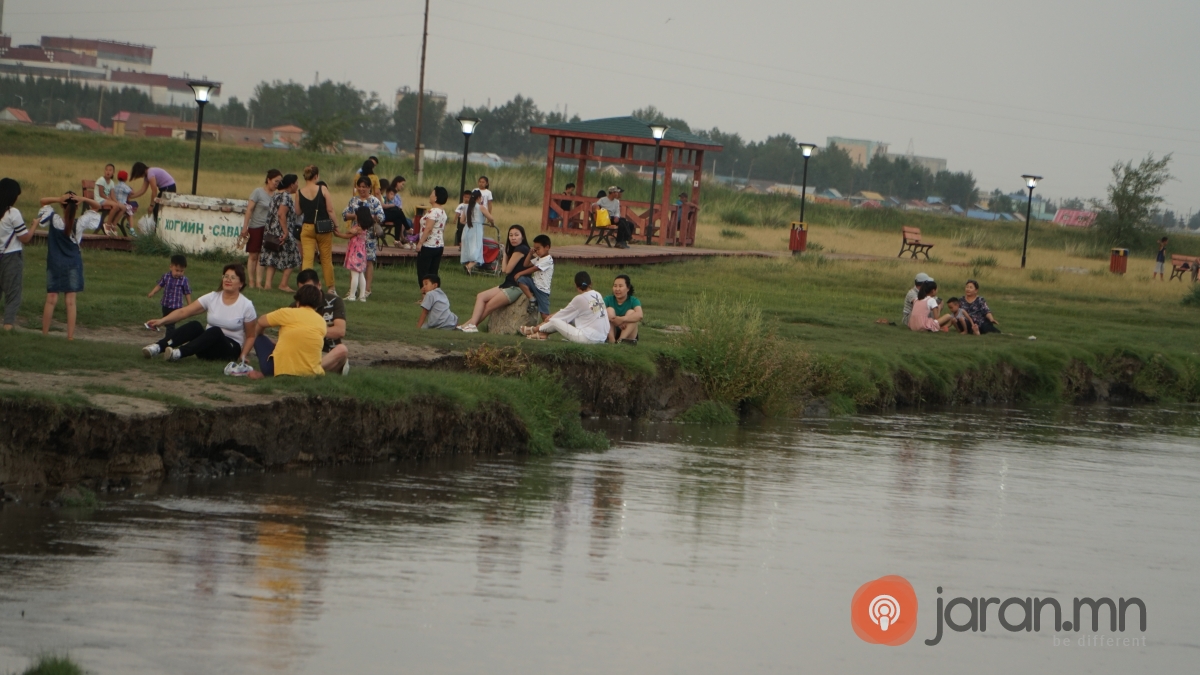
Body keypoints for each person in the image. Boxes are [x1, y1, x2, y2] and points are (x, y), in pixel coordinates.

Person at [142, 263, 257, 363]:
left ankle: (178, 353)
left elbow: (251, 336)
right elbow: (184, 311)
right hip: (205, 346)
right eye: (225, 276)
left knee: (215, 331)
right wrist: (161, 321)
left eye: (232, 278)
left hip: (229, 350)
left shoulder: (246, 305)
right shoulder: (212, 297)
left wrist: (243, 355)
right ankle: (157, 347)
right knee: (195, 326)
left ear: (241, 283)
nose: (228, 280)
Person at [39, 192, 98, 340]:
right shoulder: (80, 222)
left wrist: (58, 197)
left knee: (51, 298)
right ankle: (70, 337)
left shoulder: (54, 219)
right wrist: (83, 199)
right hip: (73, 262)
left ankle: (44, 334)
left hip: (55, 262)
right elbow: (97, 207)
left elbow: (43, 201)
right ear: (77, 206)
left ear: (61, 205)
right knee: (71, 301)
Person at [243, 284, 328, 379]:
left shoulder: (288, 313)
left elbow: (261, 321)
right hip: (311, 374)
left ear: (297, 302)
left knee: (258, 337)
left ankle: (262, 371)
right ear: (317, 305)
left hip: (280, 371)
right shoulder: (322, 322)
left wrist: (260, 335)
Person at [457, 225, 531, 333]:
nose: (513, 238)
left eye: (516, 235)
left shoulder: (521, 249)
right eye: (511, 235)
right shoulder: (515, 250)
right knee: (481, 296)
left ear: (522, 237)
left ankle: (471, 325)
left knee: (489, 306)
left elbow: (507, 270)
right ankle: (467, 325)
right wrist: (505, 254)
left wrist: (506, 255)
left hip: (516, 287)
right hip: (508, 284)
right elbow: (504, 269)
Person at [522, 271, 609, 344]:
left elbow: (560, 316)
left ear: (576, 285)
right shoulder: (597, 294)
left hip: (588, 338)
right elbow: (568, 313)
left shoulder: (580, 298)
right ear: (591, 283)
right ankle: (543, 334)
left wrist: (542, 325)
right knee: (568, 317)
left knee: (555, 321)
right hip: (602, 338)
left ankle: (535, 330)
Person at [295, 269, 349, 375]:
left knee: (342, 350)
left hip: (328, 353)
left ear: (319, 285)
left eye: (310, 288)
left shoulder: (335, 301)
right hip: (304, 352)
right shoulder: (295, 305)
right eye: (302, 290)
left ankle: (308, 371)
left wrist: (311, 330)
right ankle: (314, 371)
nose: (307, 293)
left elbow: (340, 331)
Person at [298, 166, 342, 293]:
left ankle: (306, 286)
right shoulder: (322, 189)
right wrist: (337, 225)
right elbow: (330, 210)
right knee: (326, 259)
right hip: (323, 228)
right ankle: (331, 287)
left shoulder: (299, 192)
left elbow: (298, 211)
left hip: (307, 228)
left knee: (307, 259)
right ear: (316, 176)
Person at [342, 176, 384, 297]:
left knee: (369, 261)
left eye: (364, 187)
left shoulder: (375, 201)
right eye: (359, 186)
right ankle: (352, 290)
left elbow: (381, 217)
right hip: (356, 236)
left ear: (369, 188)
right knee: (354, 263)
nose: (361, 189)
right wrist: (355, 216)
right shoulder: (353, 200)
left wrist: (368, 218)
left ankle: (367, 289)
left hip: (370, 236)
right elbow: (344, 214)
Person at [260, 174, 302, 292]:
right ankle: (283, 284)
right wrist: (285, 231)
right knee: (295, 257)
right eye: (297, 182)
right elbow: (281, 214)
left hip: (271, 230)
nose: (298, 185)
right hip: (282, 232)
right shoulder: (286, 196)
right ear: (292, 184)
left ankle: (268, 285)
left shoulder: (276, 195)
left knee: (272, 257)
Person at [241, 169, 282, 289]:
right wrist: (245, 227)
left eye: (279, 182)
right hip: (256, 226)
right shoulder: (258, 192)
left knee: (263, 256)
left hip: (269, 229)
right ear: (268, 180)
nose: (277, 184)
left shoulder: (277, 196)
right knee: (253, 255)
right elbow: (249, 210)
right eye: (275, 181)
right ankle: (251, 281)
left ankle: (259, 282)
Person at [0, 178, 32, 331]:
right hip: (11, 256)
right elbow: (25, 238)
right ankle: (7, 326)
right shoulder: (13, 213)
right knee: (13, 293)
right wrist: (34, 226)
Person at [147, 254, 192, 340]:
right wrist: (152, 292)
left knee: (170, 324)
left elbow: (187, 292)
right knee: (166, 321)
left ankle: (169, 340)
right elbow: (159, 285)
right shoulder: (166, 276)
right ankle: (172, 335)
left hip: (176, 307)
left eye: (181, 271)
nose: (179, 273)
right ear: (171, 267)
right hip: (165, 304)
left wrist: (190, 305)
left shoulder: (184, 280)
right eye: (177, 270)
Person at [416, 186, 449, 288]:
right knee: (433, 272)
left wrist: (420, 242)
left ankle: (425, 296)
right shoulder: (442, 212)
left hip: (428, 245)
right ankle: (433, 295)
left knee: (423, 272)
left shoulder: (433, 212)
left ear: (435, 198)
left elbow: (429, 228)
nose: (430, 195)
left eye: (432, 193)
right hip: (439, 245)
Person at [514, 234, 553, 320]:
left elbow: (534, 269)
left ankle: (547, 328)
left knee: (544, 315)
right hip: (534, 283)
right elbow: (526, 264)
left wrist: (520, 273)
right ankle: (532, 299)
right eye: (535, 250)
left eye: (538, 249)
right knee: (521, 280)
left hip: (542, 290)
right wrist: (530, 253)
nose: (537, 252)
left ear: (547, 247)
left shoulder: (548, 260)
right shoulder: (539, 258)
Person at [342, 205, 372, 302]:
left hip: (355, 253)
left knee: (354, 274)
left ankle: (352, 295)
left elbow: (349, 233)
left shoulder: (358, 228)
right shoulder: (364, 228)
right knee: (360, 274)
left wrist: (337, 232)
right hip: (362, 253)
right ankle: (362, 296)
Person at [459, 189, 493, 273]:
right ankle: (469, 266)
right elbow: (491, 218)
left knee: (468, 248)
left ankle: (468, 266)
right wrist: (492, 224)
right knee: (477, 248)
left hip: (467, 228)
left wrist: (469, 222)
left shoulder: (466, 207)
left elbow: (461, 221)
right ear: (479, 198)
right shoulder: (481, 207)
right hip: (476, 229)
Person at [605, 274, 643, 345]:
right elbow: (597, 309)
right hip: (612, 331)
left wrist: (622, 319)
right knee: (608, 310)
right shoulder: (608, 299)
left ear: (628, 288)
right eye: (615, 286)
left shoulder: (633, 300)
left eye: (620, 286)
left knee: (631, 312)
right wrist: (615, 320)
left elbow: (640, 315)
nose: (617, 289)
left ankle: (620, 341)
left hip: (628, 334)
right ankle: (612, 341)